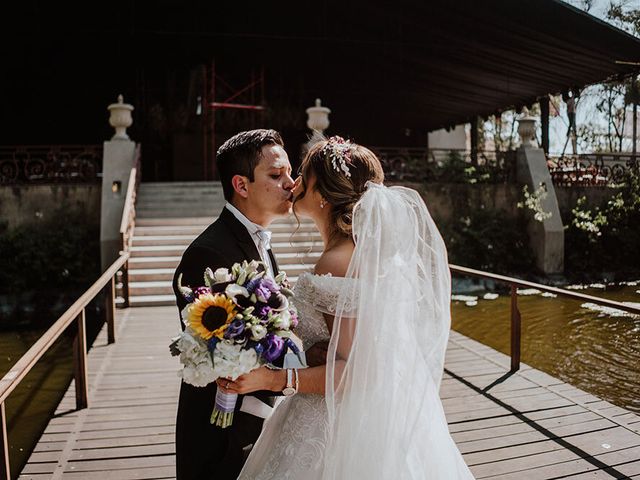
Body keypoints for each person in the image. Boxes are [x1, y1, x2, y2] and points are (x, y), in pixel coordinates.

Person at [225, 136, 475, 479]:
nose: (294, 183)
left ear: (324, 196)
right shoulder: (361, 256)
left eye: (304, 176)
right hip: (356, 411)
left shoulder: (337, 262)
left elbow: (356, 372)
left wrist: (273, 379)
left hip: (335, 422)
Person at [172, 129, 301, 480]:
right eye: (276, 175)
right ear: (241, 186)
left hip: (258, 423)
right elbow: (215, 355)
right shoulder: (208, 253)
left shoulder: (259, 239)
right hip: (223, 438)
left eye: (290, 172)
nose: (291, 183)